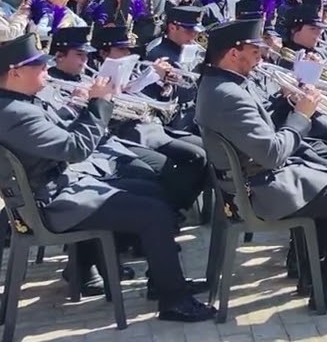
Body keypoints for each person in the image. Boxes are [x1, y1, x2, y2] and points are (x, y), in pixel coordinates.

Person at [0, 33, 214, 321]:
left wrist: (85, 105)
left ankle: (162, 278)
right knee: (155, 213)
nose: (46, 69)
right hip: (52, 203)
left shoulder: (20, 103)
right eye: (38, 66)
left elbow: (63, 132)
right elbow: (74, 148)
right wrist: (99, 105)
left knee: (153, 189)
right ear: (15, 72)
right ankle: (173, 300)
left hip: (59, 188)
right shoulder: (15, 113)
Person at [196, 18, 327, 311]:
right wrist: (302, 116)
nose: (261, 58)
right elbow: (272, 154)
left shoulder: (218, 83)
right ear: (233, 53)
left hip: (252, 181)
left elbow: (256, 132)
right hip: (261, 192)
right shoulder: (228, 95)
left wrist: (287, 102)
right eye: (254, 52)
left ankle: (313, 276)